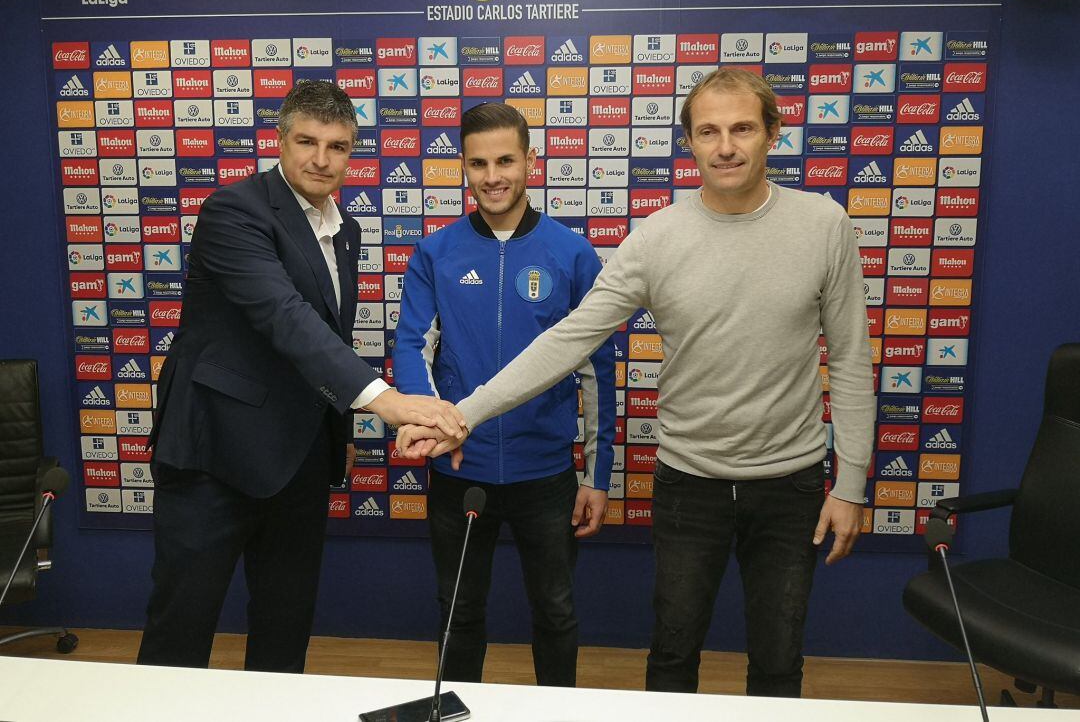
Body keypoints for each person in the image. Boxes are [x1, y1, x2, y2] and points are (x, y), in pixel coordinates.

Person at [397, 69, 876, 697]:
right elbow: (569, 341)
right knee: (672, 659)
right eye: (708, 131)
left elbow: (850, 358)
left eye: (741, 129)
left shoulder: (824, 225)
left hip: (791, 483)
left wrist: (851, 482)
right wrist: (465, 414)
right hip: (688, 481)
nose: (725, 146)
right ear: (689, 143)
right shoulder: (656, 237)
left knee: (780, 659)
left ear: (773, 134)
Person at [138, 80, 464, 672]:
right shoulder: (233, 210)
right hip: (214, 460)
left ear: (351, 152)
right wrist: (385, 401)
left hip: (299, 463)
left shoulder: (346, 231)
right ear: (280, 141)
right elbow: (282, 317)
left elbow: (327, 344)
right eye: (307, 142)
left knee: (286, 632)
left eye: (337, 146)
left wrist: (338, 429)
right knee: (179, 636)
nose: (321, 159)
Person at [393, 102, 616, 687]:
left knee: (557, 614)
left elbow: (596, 371)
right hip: (459, 472)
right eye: (478, 162)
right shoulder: (434, 253)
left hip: (545, 475)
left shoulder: (572, 252)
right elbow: (412, 351)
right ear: (463, 168)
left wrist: (597, 475)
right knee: (459, 616)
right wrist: (442, 428)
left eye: (505, 160)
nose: (493, 175)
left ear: (531, 163)